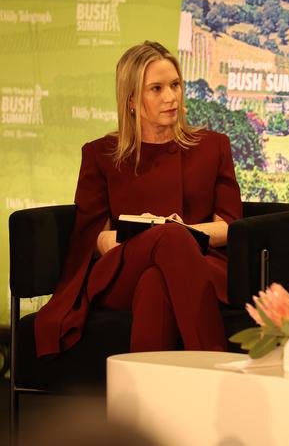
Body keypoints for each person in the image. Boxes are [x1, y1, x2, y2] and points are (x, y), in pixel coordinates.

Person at [34, 41, 242, 356]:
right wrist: (143, 238)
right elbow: (93, 237)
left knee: (156, 282)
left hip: (201, 263)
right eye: (156, 89)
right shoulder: (100, 154)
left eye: (175, 85)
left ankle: (144, 402)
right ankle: (213, 366)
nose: (171, 97)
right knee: (164, 242)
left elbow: (229, 226)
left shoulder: (213, 146)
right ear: (131, 100)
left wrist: (179, 233)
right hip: (121, 269)